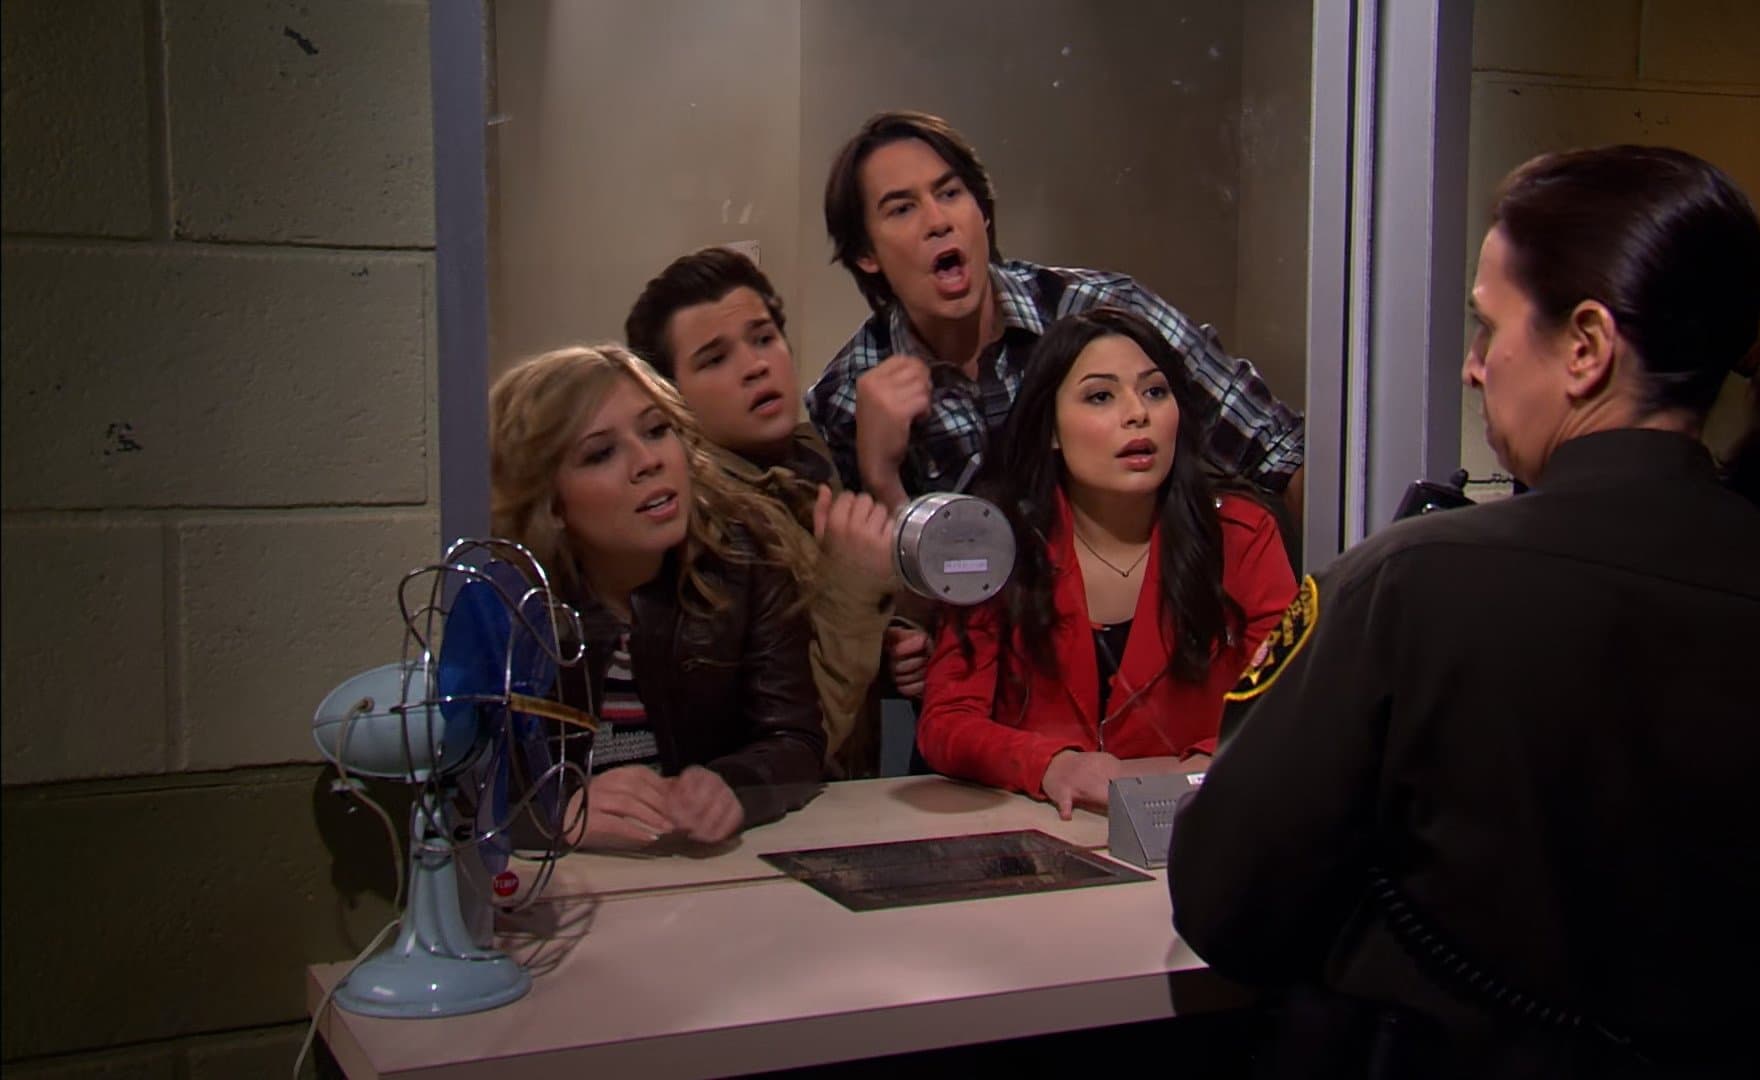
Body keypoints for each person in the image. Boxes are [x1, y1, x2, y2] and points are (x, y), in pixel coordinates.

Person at [1168, 146, 1760, 1078]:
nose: (1472, 368)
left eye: (1488, 328)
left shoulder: (1407, 586)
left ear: (1586, 346)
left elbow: (1228, 907)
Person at [805, 110, 1306, 527]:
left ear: (982, 211)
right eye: (902, 209)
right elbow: (879, 597)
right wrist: (881, 475)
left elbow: (1282, 453)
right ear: (865, 253)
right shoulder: (847, 397)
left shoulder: (1104, 311)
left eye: (950, 193)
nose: (938, 221)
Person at [916, 308, 1299, 818]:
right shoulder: (999, 543)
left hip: (1195, 825)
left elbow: (1289, 702)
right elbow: (946, 723)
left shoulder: (1241, 535)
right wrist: (1050, 765)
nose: (1137, 413)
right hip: (1041, 828)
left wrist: (1203, 765)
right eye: (1101, 396)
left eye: (1155, 391)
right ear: (1051, 430)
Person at [489, 344, 827, 847]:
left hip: (705, 868)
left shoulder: (746, 560)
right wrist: (552, 814)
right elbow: (463, 786)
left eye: (655, 430)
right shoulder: (506, 601)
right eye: (600, 454)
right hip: (573, 882)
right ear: (551, 504)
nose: (649, 461)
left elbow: (794, 739)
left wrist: (734, 785)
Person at [624, 248, 901, 776]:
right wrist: (854, 596)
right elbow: (788, 749)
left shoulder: (809, 464)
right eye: (714, 359)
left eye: (763, 338)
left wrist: (889, 644)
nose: (755, 366)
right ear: (670, 398)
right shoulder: (701, 526)